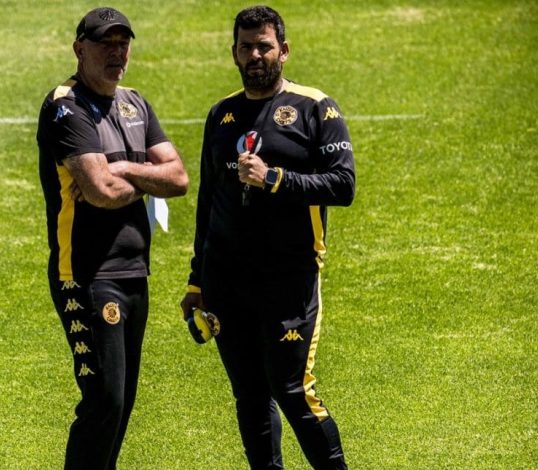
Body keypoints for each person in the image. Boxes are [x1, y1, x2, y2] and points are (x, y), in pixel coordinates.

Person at [180, 6, 354, 470]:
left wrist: (275, 178)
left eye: (264, 46)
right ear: (234, 52)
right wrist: (197, 281)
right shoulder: (222, 114)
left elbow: (343, 186)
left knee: (293, 390)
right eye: (245, 47)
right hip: (227, 283)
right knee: (250, 396)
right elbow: (207, 203)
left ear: (284, 50)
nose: (255, 55)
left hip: (289, 279)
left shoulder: (317, 108)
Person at [37, 7, 188, 470]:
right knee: (104, 399)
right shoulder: (66, 106)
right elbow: (99, 192)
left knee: (119, 405)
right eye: (106, 43)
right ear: (79, 48)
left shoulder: (135, 103)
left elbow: (179, 178)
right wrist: (143, 176)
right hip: (84, 273)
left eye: (123, 43)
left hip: (134, 272)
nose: (116, 52)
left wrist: (123, 167)